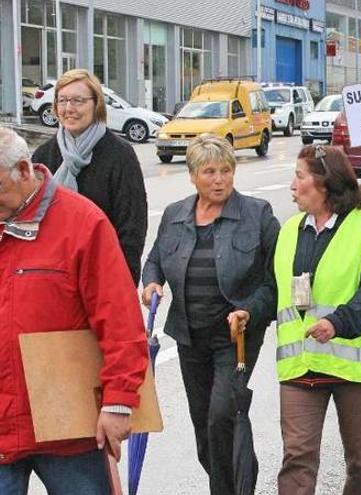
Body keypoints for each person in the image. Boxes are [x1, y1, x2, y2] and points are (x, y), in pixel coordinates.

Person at [0, 127, 148, 494]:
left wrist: (118, 402)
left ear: (23, 170)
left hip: (67, 427)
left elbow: (120, 320)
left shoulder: (81, 222)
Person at [141, 134, 279, 495]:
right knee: (205, 425)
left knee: (223, 415)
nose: (219, 180)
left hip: (235, 339)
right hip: (189, 336)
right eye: (209, 172)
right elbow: (155, 258)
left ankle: (230, 489)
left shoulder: (257, 214)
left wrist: (249, 310)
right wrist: (152, 282)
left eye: (226, 171)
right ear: (192, 176)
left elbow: (273, 280)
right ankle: (233, 482)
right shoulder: (175, 215)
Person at [274, 145, 361, 494]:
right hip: (300, 365)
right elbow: (272, 287)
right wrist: (248, 310)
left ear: (324, 183)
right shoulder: (289, 230)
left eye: (299, 177)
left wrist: (337, 323)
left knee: (360, 461)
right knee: (296, 458)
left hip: (351, 367)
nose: (293, 187)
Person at [31, 68, 147, 286]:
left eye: (78, 101)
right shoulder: (43, 155)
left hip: (103, 276)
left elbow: (132, 227)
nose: (68, 108)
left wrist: (122, 284)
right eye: (62, 100)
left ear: (96, 104)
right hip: (52, 277)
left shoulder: (120, 154)